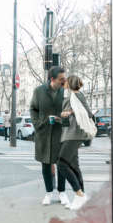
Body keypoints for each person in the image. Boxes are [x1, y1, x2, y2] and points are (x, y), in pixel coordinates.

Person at [30, 66, 69, 206]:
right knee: (46, 164)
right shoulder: (39, 91)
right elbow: (33, 109)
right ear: (52, 79)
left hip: (61, 133)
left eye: (64, 78)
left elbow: (70, 111)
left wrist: (63, 119)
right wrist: (38, 123)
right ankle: (48, 192)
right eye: (61, 79)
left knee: (62, 164)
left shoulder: (66, 92)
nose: (64, 81)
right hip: (44, 133)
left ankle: (62, 192)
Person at [58, 75, 96, 210]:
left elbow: (88, 113)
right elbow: (68, 121)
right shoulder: (70, 97)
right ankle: (81, 198)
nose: (65, 83)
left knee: (61, 164)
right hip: (68, 134)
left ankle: (79, 194)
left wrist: (71, 112)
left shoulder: (78, 95)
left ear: (70, 83)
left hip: (75, 135)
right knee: (74, 165)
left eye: (66, 81)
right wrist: (62, 117)